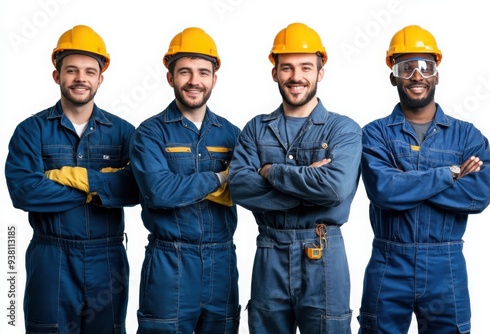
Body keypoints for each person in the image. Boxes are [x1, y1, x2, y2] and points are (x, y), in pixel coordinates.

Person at [357, 25, 490, 333]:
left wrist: (407, 183)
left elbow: (478, 196)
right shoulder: (374, 134)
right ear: (393, 75)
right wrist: (452, 173)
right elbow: (384, 191)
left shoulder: (468, 137)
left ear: (437, 74)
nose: (417, 76)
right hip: (389, 261)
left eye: (425, 67)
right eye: (406, 68)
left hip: (445, 268)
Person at [5, 25, 139, 333]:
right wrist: (100, 187)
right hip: (51, 257)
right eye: (72, 70)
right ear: (57, 76)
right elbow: (24, 192)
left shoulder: (124, 133)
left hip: (107, 259)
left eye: (90, 71)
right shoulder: (31, 131)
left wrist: (67, 180)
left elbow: (137, 188)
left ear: (100, 79)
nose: (81, 78)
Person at [228, 22, 361, 333]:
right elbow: (240, 188)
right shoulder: (255, 129)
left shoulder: (343, 129)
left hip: (324, 252)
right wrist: (310, 185)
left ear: (320, 71)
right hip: (269, 252)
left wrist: (271, 172)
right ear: (274, 72)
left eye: (305, 67)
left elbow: (335, 188)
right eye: (286, 68)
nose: (296, 76)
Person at [129, 27, 241, 333]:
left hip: (222, 263)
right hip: (170, 263)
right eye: (185, 72)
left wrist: (187, 186)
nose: (194, 81)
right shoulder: (150, 133)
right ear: (170, 77)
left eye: (203, 72)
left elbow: (247, 188)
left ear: (214, 79)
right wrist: (220, 179)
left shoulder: (232, 134)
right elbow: (159, 192)